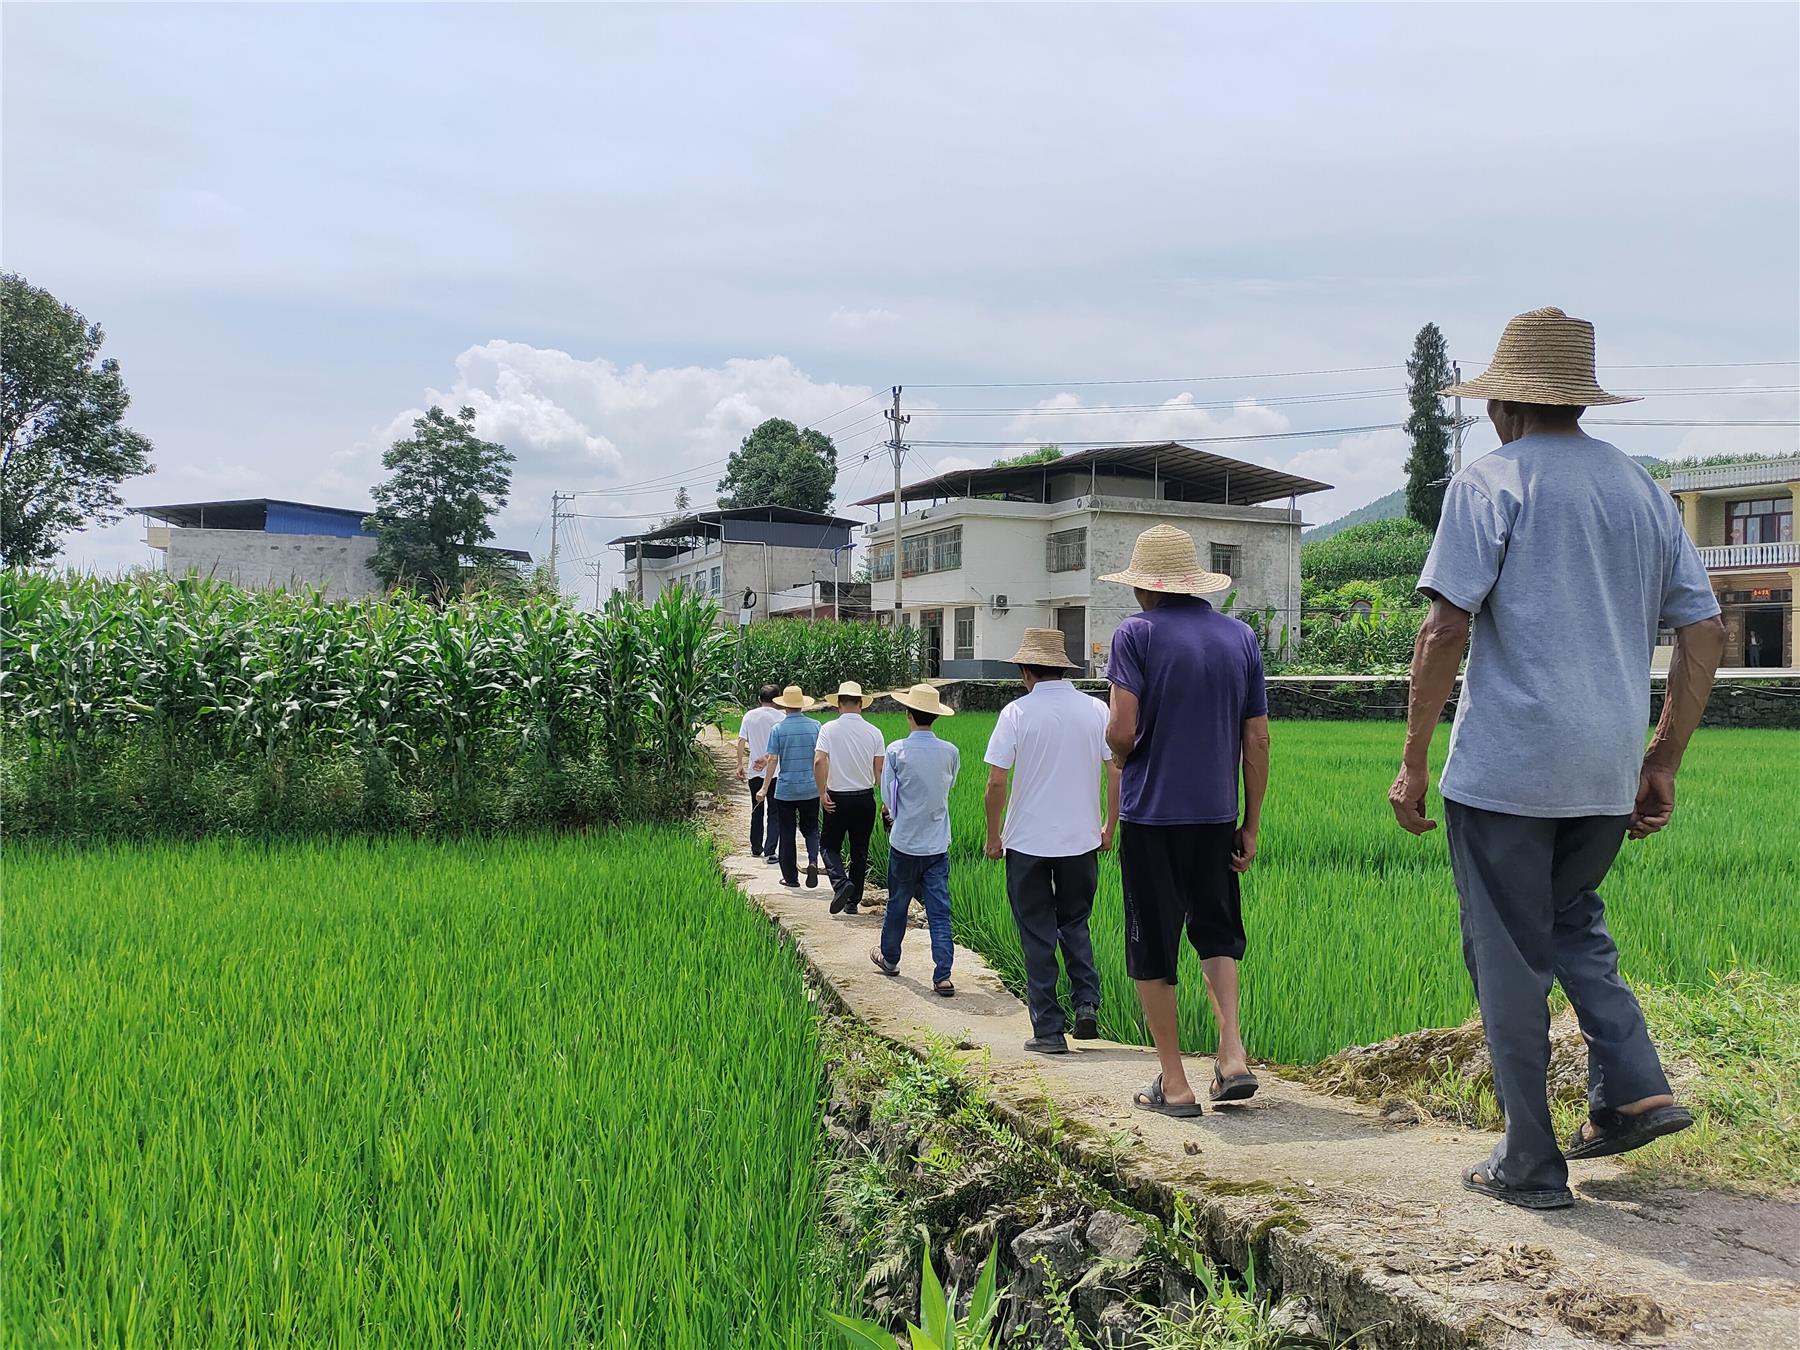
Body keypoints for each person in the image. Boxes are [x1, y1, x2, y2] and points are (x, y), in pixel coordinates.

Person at [1390, 307, 1725, 1211]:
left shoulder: (1491, 480)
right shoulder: (1644, 491)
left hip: (1506, 773)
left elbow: (1445, 627)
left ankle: (1530, 1162)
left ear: (1503, 402)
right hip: (1603, 773)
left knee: (1506, 956)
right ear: (1579, 399)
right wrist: (1662, 760)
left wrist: (1415, 758)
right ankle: (1635, 1088)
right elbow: (1706, 631)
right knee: (1570, 919)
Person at [1102, 525, 1270, 1118]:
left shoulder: (1135, 634)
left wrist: (1120, 755)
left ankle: (1173, 1084)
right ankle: (1232, 1056)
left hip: (1152, 816)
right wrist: (1249, 823)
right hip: (1218, 815)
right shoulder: (1240, 637)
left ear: (1147, 586)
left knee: (1153, 946)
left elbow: (1122, 728)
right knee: (1216, 932)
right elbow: (1257, 738)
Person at [983, 629, 1119, 1055]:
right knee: (1074, 922)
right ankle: (1087, 1003)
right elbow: (1117, 771)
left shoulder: (1017, 714)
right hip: (1081, 840)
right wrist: (1109, 827)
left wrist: (993, 835)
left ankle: (1047, 1030)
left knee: (1037, 932)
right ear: (1063, 668)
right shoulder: (1097, 710)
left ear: (1027, 672)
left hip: (1027, 843)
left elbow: (996, 781)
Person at [870, 684, 961, 997]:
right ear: (934, 717)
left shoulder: (896, 751)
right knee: (939, 910)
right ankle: (943, 975)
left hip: (905, 842)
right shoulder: (950, 751)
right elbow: (948, 787)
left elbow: (887, 796)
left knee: (898, 902)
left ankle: (890, 958)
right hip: (937, 845)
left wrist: (897, 812)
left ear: (908, 714)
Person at [815, 681, 886, 914]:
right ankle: (852, 901)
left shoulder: (828, 729)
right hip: (865, 799)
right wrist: (886, 800)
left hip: (837, 798)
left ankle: (841, 883)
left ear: (838, 704)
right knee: (860, 850)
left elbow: (819, 761)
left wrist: (822, 792)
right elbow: (880, 771)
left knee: (828, 845)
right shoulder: (874, 732)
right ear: (861, 704)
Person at [758, 685, 824, 890]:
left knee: (786, 833)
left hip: (786, 789)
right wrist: (825, 786)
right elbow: (822, 758)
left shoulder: (778, 729)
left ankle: (791, 878)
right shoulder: (816, 726)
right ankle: (813, 860)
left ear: (785, 706)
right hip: (810, 788)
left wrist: (764, 787)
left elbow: (772, 760)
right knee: (811, 829)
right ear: (802, 705)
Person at [736, 684, 783, 864]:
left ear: (759, 699)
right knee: (774, 812)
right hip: (776, 772)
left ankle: (756, 847)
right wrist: (767, 758)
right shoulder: (781, 717)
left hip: (754, 772)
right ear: (777, 700)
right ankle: (770, 851)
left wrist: (739, 764)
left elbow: (741, 740)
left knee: (756, 810)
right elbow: (779, 747)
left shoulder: (749, 716)